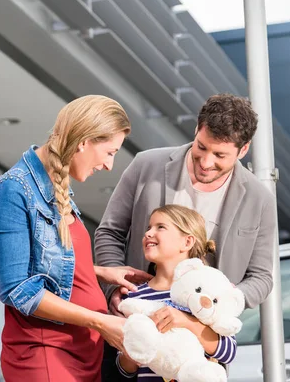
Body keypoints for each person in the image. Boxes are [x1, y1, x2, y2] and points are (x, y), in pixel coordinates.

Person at [95, 93, 276, 379]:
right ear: (196, 129)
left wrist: (221, 303)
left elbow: (262, 277)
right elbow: (110, 232)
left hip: (202, 346)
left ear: (243, 151)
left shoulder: (260, 199)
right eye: (201, 147)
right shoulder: (146, 165)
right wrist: (114, 290)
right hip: (130, 329)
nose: (205, 162)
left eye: (219, 155)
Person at [0, 95, 150, 382]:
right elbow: (16, 288)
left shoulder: (56, 185)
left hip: (81, 352)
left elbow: (46, 263)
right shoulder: (14, 190)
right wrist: (100, 321)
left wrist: (97, 272)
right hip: (46, 354)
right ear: (84, 141)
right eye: (110, 152)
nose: (110, 165)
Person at [115, 205, 237, 380]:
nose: (148, 233)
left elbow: (229, 352)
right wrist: (135, 347)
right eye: (148, 228)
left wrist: (186, 322)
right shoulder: (133, 296)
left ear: (187, 242)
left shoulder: (208, 291)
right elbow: (125, 370)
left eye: (160, 227)